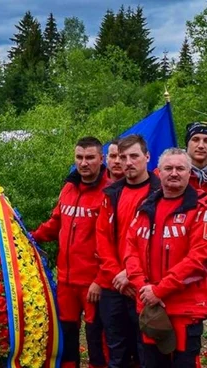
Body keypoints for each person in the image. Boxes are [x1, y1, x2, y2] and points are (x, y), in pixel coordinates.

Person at [124, 148, 207, 367]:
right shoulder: (144, 208)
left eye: (180, 168)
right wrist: (144, 289)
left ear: (190, 173)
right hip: (150, 308)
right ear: (158, 172)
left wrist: (159, 290)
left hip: (184, 309)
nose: (174, 173)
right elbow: (130, 251)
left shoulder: (200, 209)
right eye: (168, 168)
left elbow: (199, 259)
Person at [32, 136, 109, 368]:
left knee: (97, 339)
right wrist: (26, 237)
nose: (84, 163)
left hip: (93, 283)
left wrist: (100, 279)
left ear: (101, 159)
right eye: (79, 157)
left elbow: (114, 242)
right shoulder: (68, 187)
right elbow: (55, 223)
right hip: (65, 279)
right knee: (67, 336)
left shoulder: (110, 191)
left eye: (90, 158)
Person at [96, 134, 160, 368]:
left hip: (144, 285)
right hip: (114, 284)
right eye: (123, 157)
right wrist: (117, 274)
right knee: (116, 350)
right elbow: (102, 239)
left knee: (147, 350)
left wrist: (131, 274)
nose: (129, 162)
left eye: (134, 156)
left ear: (147, 157)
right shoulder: (111, 194)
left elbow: (159, 243)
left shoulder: (161, 193)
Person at [184, 122, 207, 191]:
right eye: (195, 140)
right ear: (187, 145)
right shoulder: (168, 172)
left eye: (206, 141)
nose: (201, 146)